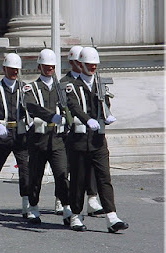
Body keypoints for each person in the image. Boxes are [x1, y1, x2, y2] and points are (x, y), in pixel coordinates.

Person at [65, 46, 129, 232]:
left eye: (95, 65)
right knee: (78, 179)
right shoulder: (72, 85)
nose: (93, 68)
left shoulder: (100, 84)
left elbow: (105, 104)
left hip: (98, 140)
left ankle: (111, 216)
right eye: (89, 65)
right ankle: (76, 215)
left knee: (104, 177)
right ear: (81, 64)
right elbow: (73, 106)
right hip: (78, 140)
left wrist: (107, 115)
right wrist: (87, 119)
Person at [22, 48, 72, 225]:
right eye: (46, 66)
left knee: (61, 174)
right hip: (38, 139)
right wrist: (51, 116)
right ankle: (33, 208)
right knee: (36, 176)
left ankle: (67, 208)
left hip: (57, 139)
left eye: (51, 66)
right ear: (39, 67)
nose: (49, 69)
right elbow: (31, 106)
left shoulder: (61, 89)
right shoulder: (32, 87)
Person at [55, 45, 104, 217]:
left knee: (90, 167)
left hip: (88, 131)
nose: (80, 64)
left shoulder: (92, 81)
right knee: (67, 168)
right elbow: (63, 106)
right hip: (70, 131)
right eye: (76, 61)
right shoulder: (64, 83)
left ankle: (92, 198)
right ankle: (62, 199)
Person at [0, 53, 31, 217]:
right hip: (1, 134)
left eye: (16, 69)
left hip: (20, 134)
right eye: (11, 69)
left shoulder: (24, 88)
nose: (14, 72)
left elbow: (30, 108)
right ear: (4, 69)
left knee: (25, 169)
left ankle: (26, 202)